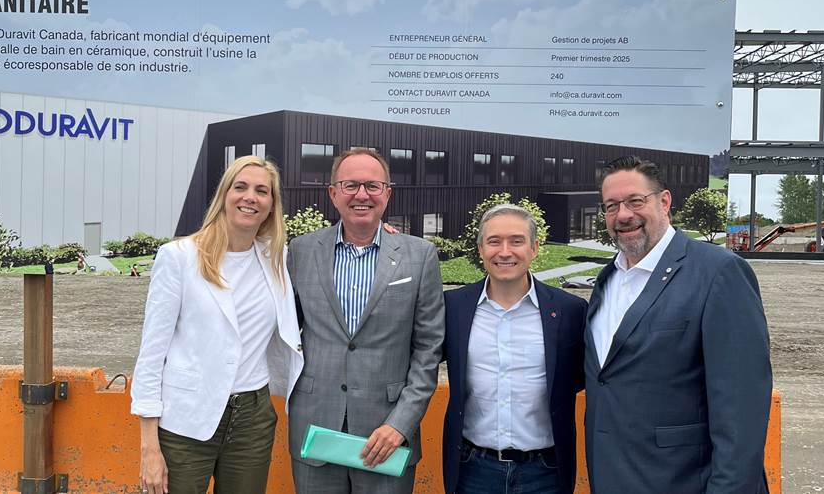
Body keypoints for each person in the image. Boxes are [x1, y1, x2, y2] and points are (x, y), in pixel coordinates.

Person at [585, 155, 772, 494]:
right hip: (613, 477)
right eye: (611, 206)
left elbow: (741, 410)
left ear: (665, 201)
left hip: (684, 483)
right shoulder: (607, 281)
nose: (623, 215)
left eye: (635, 201)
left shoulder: (719, 273)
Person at [131, 155, 303, 494]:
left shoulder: (277, 259)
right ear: (224, 195)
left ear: (271, 205)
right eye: (240, 187)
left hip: (252, 420)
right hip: (185, 421)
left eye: (261, 191)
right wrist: (149, 446)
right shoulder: (178, 257)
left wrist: (380, 230)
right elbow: (152, 354)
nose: (250, 197)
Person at [287, 148, 445, 493]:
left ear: (387, 193)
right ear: (333, 193)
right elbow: (283, 332)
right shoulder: (300, 251)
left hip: (386, 434)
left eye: (373, 186)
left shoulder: (420, 256)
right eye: (351, 185)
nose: (362, 195)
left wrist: (401, 424)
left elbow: (428, 349)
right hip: (315, 428)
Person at [441, 204, 587, 494]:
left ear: (534, 248)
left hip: (545, 472)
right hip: (472, 469)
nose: (505, 251)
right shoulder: (453, 307)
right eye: (494, 241)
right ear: (481, 249)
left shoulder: (570, 310)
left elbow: (583, 376)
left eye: (516, 241)